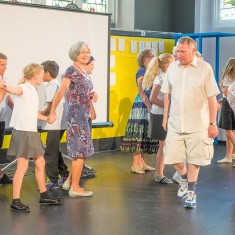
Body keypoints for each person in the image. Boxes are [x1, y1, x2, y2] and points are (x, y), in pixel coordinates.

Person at [161, 36, 220, 208]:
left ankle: (191, 193)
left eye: (183, 52)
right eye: (177, 51)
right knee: (170, 156)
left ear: (193, 51)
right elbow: (167, 95)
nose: (179, 55)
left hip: (198, 123)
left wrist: (212, 123)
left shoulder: (204, 68)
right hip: (175, 122)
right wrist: (165, 118)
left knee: (195, 159)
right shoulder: (172, 68)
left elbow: (211, 97)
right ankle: (185, 178)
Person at [0, 63, 62, 212]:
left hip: (30, 132)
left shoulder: (32, 90)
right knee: (22, 166)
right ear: (35, 76)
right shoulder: (24, 88)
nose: (43, 77)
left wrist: (46, 119)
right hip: (24, 132)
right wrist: (5, 86)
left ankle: (44, 195)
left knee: (40, 163)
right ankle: (15, 200)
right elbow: (14, 90)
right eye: (41, 74)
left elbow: (32, 113)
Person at [48, 41, 94, 197]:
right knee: (80, 152)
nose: (86, 54)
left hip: (83, 113)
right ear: (75, 54)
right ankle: (75, 187)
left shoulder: (83, 71)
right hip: (76, 115)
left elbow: (81, 92)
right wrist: (52, 112)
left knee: (83, 151)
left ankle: (69, 181)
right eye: (82, 52)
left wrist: (92, 96)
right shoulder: (71, 70)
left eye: (87, 52)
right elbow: (61, 92)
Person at [120, 49, 157, 174]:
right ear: (143, 59)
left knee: (144, 133)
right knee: (138, 134)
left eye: (152, 56)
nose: (151, 58)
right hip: (141, 105)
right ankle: (135, 164)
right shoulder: (141, 71)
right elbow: (142, 91)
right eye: (149, 56)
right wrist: (149, 106)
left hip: (147, 103)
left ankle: (142, 163)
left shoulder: (150, 71)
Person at [142, 53, 174, 184]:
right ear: (166, 65)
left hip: (167, 114)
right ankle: (159, 174)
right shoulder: (160, 78)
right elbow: (153, 98)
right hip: (160, 114)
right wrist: (168, 107)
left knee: (166, 144)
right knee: (163, 144)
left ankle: (161, 173)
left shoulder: (168, 76)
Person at [40, 60, 69, 190]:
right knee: (54, 150)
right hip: (59, 123)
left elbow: (50, 105)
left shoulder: (52, 85)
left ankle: (53, 180)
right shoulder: (56, 83)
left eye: (41, 72)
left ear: (47, 73)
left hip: (55, 124)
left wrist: (39, 113)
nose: (40, 75)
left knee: (50, 152)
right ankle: (64, 174)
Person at [216, 58, 235, 164]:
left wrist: (223, 94)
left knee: (228, 131)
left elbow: (227, 93)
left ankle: (229, 155)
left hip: (228, 105)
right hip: (231, 103)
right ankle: (228, 156)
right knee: (230, 131)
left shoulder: (227, 77)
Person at [0, 52, 14, 186]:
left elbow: (8, 100)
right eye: (2, 64)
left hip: (2, 120)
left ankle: (1, 176)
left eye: (5, 64)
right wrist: (3, 91)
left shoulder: (6, 79)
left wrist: (18, 111)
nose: (5, 67)